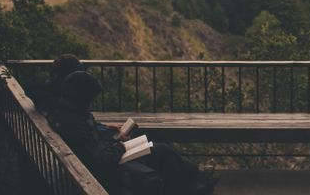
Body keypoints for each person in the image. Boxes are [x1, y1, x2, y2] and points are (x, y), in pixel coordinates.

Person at [48, 71, 217, 195]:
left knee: (158, 146)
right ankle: (197, 184)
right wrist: (119, 146)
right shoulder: (75, 122)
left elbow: (90, 134)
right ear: (81, 97)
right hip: (109, 167)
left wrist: (107, 129)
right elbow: (99, 161)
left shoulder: (68, 111)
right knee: (161, 152)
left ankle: (197, 181)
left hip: (108, 153)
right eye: (89, 100)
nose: (90, 105)